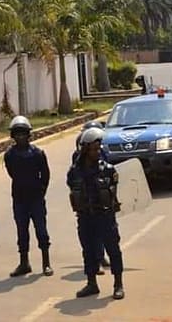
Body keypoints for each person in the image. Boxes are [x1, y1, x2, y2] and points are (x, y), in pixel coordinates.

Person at [67, 127, 125, 299]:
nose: (97, 152)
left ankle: (118, 284)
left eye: (98, 148)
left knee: (113, 249)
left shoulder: (108, 169)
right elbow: (72, 189)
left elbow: (114, 192)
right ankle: (91, 283)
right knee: (88, 251)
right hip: (85, 217)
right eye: (93, 149)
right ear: (84, 150)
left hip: (105, 216)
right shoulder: (74, 172)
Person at [4, 116, 53, 277]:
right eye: (17, 134)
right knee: (22, 232)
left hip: (36, 198)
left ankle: (46, 263)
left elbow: (45, 175)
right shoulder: (10, 155)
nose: (20, 137)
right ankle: (24, 263)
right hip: (19, 198)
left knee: (41, 231)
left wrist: (41, 191)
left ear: (28, 135)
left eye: (23, 134)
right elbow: (12, 173)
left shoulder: (38, 153)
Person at [72, 121, 111, 274]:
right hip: (86, 202)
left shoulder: (103, 153)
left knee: (101, 233)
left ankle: (101, 258)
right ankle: (95, 264)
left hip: (101, 201)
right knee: (89, 236)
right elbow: (75, 180)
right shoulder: (77, 158)